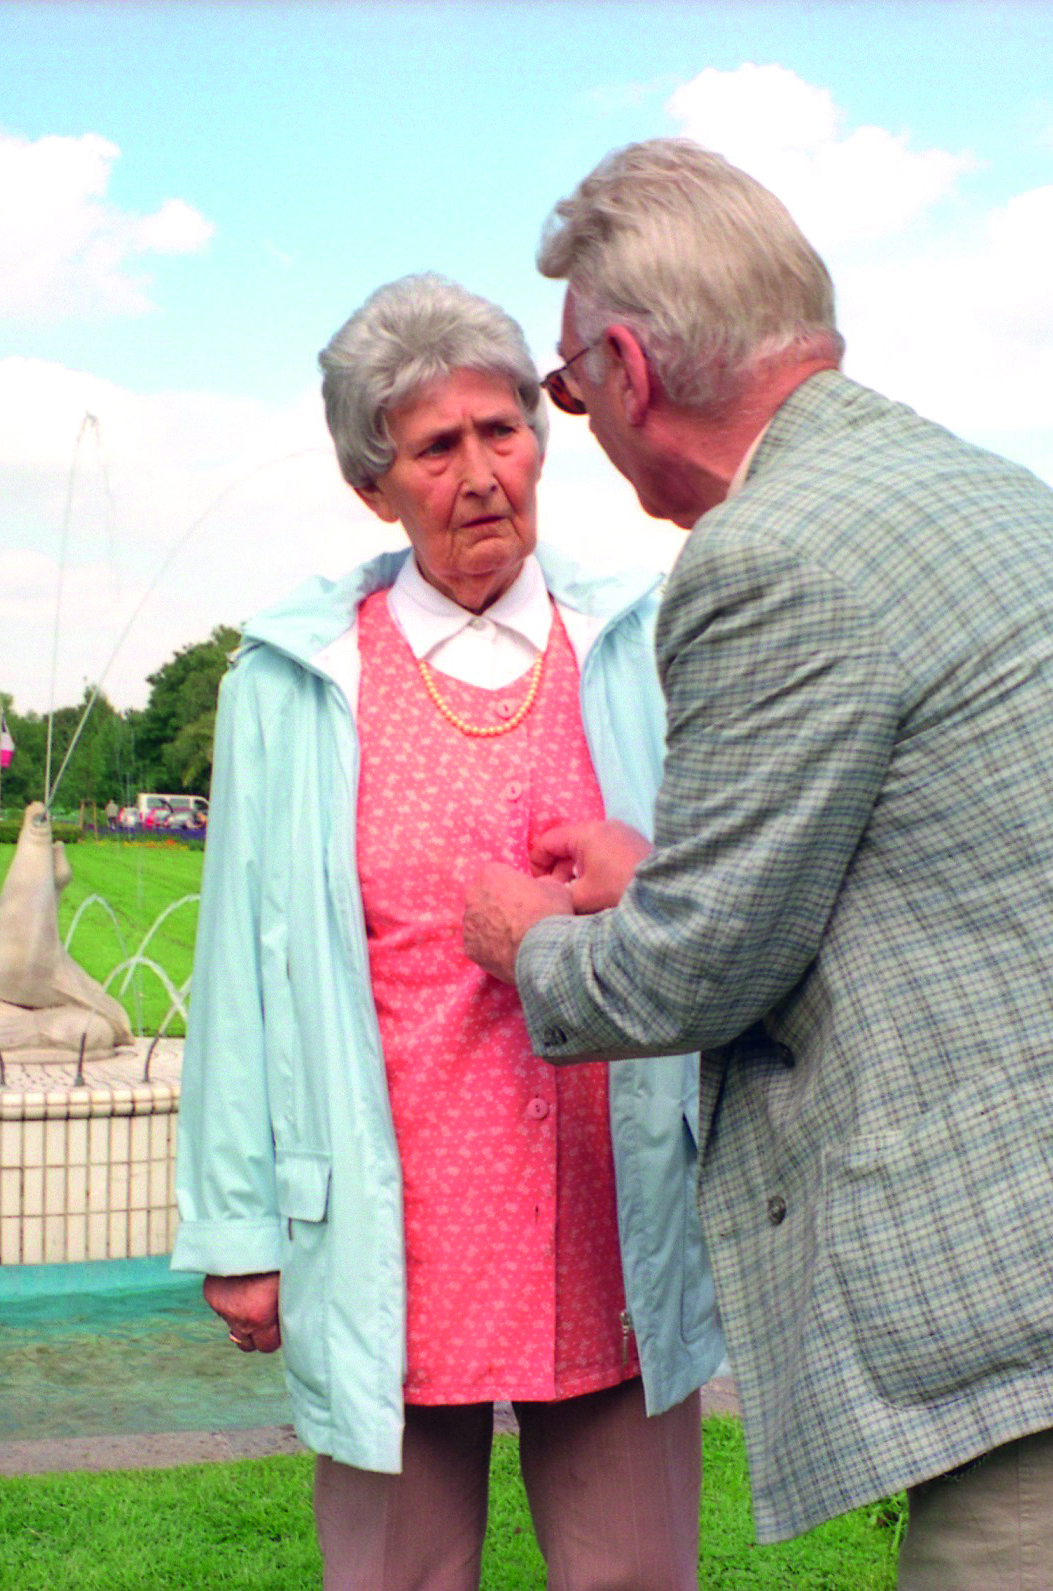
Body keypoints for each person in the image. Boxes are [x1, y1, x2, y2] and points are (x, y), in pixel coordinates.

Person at [462, 140, 1053, 1588]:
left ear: (625, 369)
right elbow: (946, 854)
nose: (570, 422)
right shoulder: (972, 488)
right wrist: (658, 866)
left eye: (562, 393)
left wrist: (528, 941)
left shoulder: (766, 560)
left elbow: (692, 973)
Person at [170, 273, 722, 1591]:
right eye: (435, 446)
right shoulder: (296, 677)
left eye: (504, 428)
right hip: (387, 1216)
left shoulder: (639, 638)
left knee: (634, 1572)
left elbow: (716, 893)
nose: (481, 473)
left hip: (607, 1195)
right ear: (376, 487)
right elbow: (242, 960)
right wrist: (239, 1228)